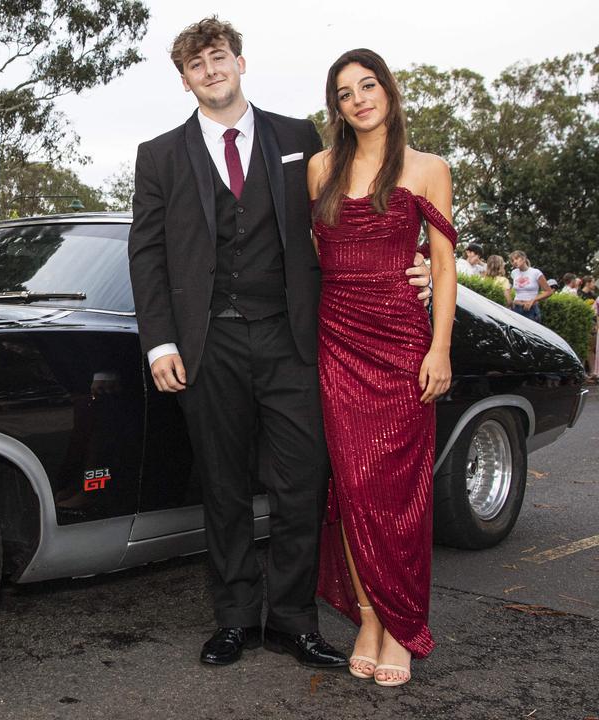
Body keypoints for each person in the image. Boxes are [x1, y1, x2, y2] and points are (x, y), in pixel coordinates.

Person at [127, 18, 430, 671]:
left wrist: (418, 262)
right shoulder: (159, 155)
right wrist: (160, 344)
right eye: (196, 65)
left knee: (303, 483)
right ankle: (235, 618)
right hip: (208, 346)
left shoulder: (299, 137)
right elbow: (146, 254)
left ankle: (293, 622)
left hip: (295, 340)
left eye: (218, 58)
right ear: (184, 80)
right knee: (225, 485)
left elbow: (354, 211)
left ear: (240, 61)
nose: (210, 71)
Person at [308, 48, 458, 688]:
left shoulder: (428, 169)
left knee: (399, 492)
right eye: (345, 93)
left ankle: (400, 623)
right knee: (352, 486)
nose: (359, 98)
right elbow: (319, 253)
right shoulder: (320, 168)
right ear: (336, 108)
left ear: (389, 91)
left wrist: (440, 347)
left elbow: (445, 266)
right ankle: (368, 616)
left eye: (368, 85)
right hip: (338, 339)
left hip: (402, 342)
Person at [509, 250, 552, 321]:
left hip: (530, 309)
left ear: (524, 258)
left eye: (516, 258)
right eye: (512, 261)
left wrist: (533, 300)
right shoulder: (514, 273)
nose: (515, 262)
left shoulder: (536, 272)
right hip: (516, 308)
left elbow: (549, 292)